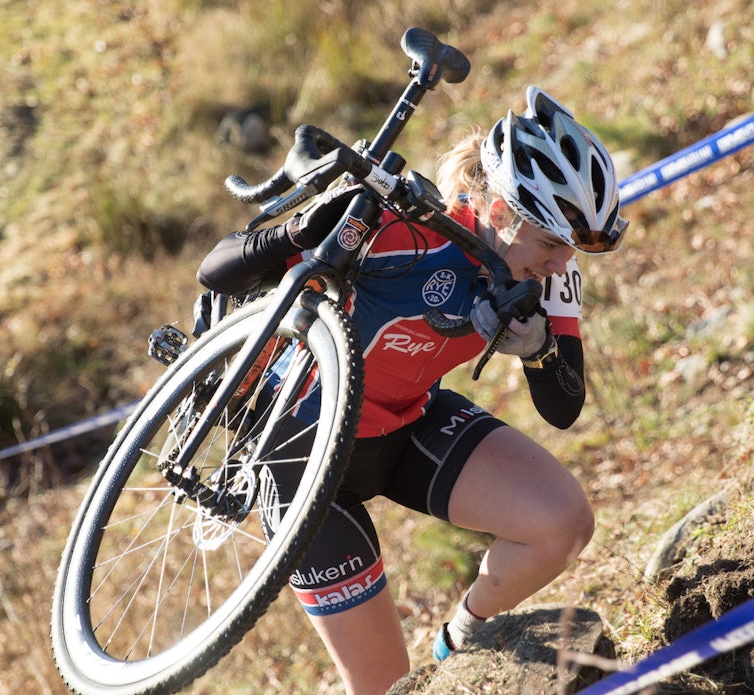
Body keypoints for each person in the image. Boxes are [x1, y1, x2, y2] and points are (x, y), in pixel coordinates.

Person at [196, 86, 628, 695]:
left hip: (404, 426)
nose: (562, 264)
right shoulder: (405, 228)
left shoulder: (548, 275)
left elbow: (564, 405)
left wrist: (538, 351)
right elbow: (215, 269)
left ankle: (463, 640)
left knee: (562, 524)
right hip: (301, 448)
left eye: (573, 249)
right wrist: (303, 227)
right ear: (500, 213)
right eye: (554, 244)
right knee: (384, 687)